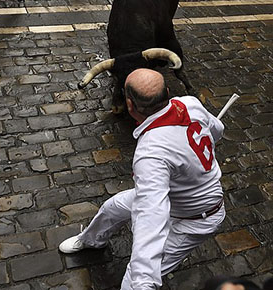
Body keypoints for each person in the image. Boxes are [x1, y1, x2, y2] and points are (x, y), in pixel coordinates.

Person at [58, 68, 225, 290]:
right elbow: (218, 130)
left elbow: (151, 214)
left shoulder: (151, 153)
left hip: (196, 219)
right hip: (176, 193)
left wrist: (143, 278)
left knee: (133, 280)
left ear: (129, 105)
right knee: (113, 206)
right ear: (167, 92)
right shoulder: (190, 102)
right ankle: (91, 240)